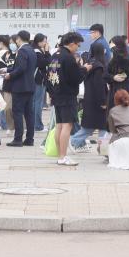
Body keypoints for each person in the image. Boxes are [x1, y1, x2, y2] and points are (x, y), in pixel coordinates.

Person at [71, 32, 109, 151]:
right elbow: (99, 86)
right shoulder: (99, 67)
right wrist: (103, 101)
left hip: (89, 99)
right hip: (97, 102)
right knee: (100, 127)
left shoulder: (89, 64)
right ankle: (103, 150)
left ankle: (103, 149)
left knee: (91, 127)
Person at [53, 32, 85, 166]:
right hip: (67, 95)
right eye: (78, 45)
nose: (78, 48)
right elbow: (76, 78)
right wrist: (84, 69)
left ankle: (60, 155)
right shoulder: (69, 58)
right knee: (67, 125)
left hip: (56, 94)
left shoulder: (55, 55)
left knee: (59, 125)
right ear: (72, 44)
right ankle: (63, 156)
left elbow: (50, 76)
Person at [5, 30, 37, 147]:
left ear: (18, 39)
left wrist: (10, 75)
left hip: (20, 86)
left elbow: (21, 68)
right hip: (30, 86)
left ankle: (18, 139)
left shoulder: (22, 50)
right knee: (29, 114)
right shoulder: (31, 50)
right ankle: (29, 139)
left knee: (17, 112)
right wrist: (9, 70)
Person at [0, 33, 15, 131]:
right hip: (3, 80)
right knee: (4, 104)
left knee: (2, 104)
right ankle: (5, 124)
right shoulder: (6, 53)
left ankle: (4, 124)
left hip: (2, 80)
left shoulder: (3, 52)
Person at [107, 35, 129, 107]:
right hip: (114, 91)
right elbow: (105, 75)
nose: (112, 49)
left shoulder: (127, 59)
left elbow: (128, 72)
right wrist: (113, 77)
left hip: (126, 90)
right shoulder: (111, 61)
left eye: (113, 46)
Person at [32, 33, 51, 131]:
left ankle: (34, 124)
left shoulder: (34, 50)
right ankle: (38, 125)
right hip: (39, 80)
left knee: (34, 102)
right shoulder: (37, 52)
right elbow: (46, 62)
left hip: (34, 79)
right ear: (39, 42)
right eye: (44, 41)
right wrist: (47, 51)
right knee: (38, 103)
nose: (46, 43)